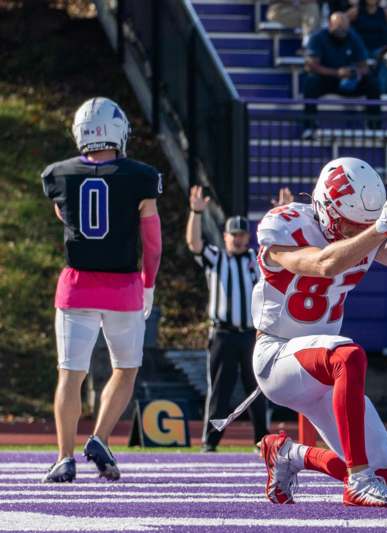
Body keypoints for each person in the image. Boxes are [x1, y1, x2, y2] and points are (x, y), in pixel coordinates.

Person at [251, 157, 387, 507]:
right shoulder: (286, 225)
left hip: (324, 371)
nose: (356, 232)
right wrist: (379, 228)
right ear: (326, 207)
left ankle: (288, 454)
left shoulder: (365, 232)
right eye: (351, 224)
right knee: (348, 355)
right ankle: (358, 482)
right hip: (277, 356)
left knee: (385, 474)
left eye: (363, 225)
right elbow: (324, 264)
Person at [41, 97, 162, 482]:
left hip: (76, 288)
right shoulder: (142, 176)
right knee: (125, 369)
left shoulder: (58, 174)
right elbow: (153, 243)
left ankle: (64, 457)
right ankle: (100, 437)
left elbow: (65, 216)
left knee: (69, 374)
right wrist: (148, 284)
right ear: (119, 131)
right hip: (123, 289)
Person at [185, 186, 270, 452]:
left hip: (251, 335)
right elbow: (194, 244)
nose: (238, 239)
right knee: (219, 389)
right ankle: (210, 441)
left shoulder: (256, 260)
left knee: (257, 388)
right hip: (223, 334)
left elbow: (279, 251)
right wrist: (196, 212)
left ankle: (262, 440)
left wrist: (282, 212)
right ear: (225, 237)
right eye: (234, 235)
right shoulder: (217, 258)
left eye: (242, 235)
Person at [302, 12, 381, 139]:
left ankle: (374, 127)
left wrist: (354, 72)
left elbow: (363, 66)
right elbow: (312, 66)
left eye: (344, 27)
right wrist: (337, 72)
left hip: (348, 81)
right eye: (338, 26)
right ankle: (309, 127)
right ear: (330, 25)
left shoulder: (353, 36)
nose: (342, 30)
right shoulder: (317, 38)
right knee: (311, 82)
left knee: (372, 83)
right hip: (326, 80)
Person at [347, 0, 387, 94]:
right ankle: (354, 92)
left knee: (386, 63)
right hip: (361, 50)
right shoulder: (355, 11)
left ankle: (381, 93)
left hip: (380, 50)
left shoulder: (385, 13)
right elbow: (342, 24)